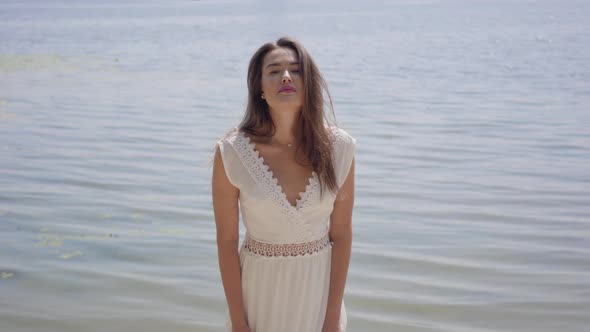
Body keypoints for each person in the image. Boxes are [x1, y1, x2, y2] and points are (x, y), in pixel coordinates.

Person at [211, 36, 356, 332]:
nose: (286, 76)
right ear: (260, 88)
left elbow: (341, 236)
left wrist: (331, 321)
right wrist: (239, 323)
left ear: (308, 82)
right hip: (258, 296)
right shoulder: (232, 153)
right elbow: (226, 243)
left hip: (318, 295)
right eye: (274, 71)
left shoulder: (340, 149)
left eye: (296, 69)